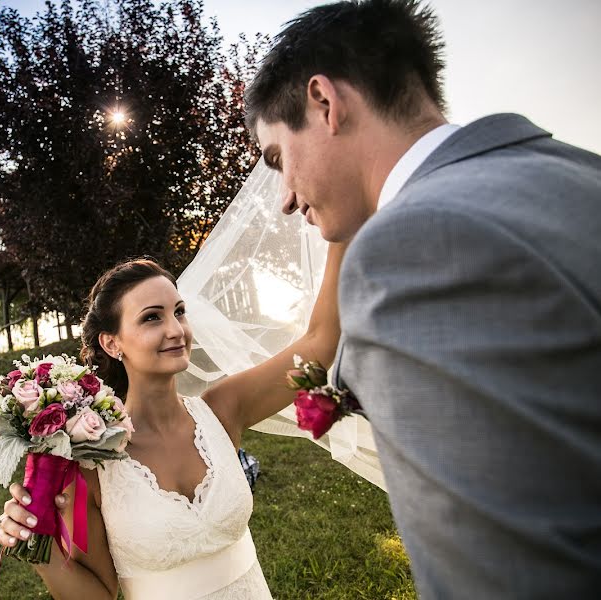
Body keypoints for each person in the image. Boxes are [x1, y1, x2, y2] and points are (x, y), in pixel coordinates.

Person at [244, 0, 601, 597]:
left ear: (325, 103)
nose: (284, 197)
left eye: (278, 157)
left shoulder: (410, 247)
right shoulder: (577, 171)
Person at [0, 244, 345, 599]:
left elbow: (320, 342)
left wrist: (343, 231)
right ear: (112, 343)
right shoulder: (90, 462)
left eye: (179, 312)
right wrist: (37, 547)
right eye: (152, 317)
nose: (176, 329)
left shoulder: (223, 410)